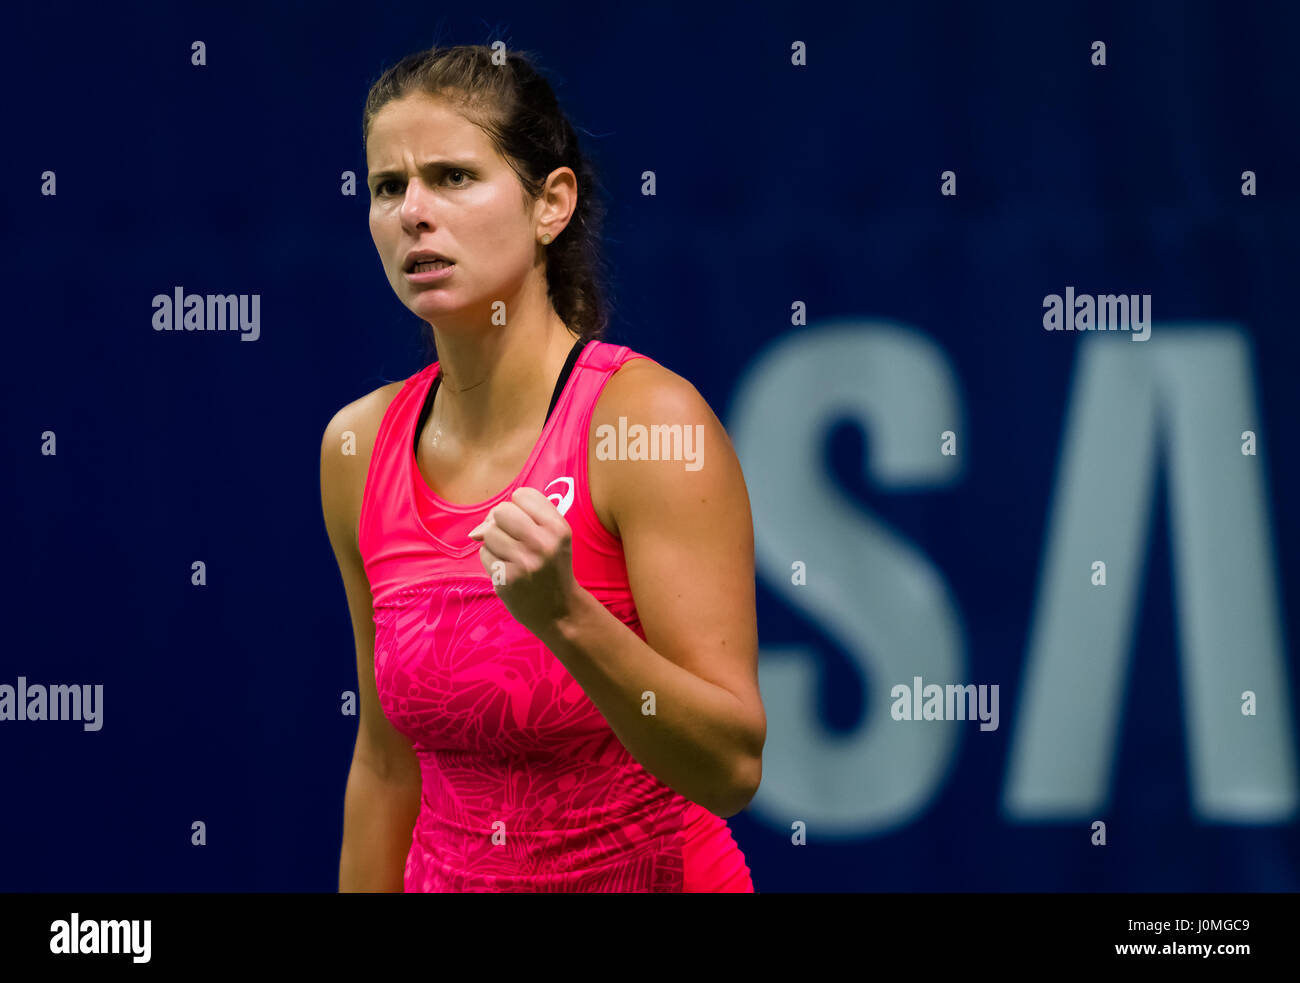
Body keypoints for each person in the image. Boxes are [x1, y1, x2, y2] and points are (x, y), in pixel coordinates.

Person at [322, 44, 764, 892]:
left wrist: (567, 616)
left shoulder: (648, 424)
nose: (414, 211)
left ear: (550, 205)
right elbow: (384, 763)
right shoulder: (356, 445)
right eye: (389, 186)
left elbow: (731, 767)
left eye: (453, 176)